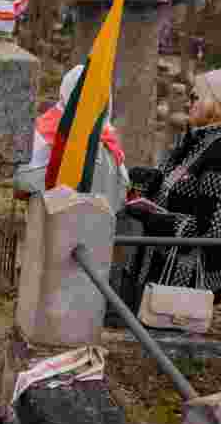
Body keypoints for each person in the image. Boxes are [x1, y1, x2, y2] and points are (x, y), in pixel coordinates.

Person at [127, 70, 221, 299]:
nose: (189, 104)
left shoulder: (218, 153)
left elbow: (212, 230)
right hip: (156, 266)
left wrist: (154, 218)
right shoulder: (195, 141)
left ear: (216, 104)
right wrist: (147, 181)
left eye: (195, 98)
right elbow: (174, 187)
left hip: (183, 280)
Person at [14, 64, 129, 213]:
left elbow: (120, 194)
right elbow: (24, 181)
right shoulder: (46, 130)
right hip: (53, 223)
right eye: (86, 93)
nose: (91, 99)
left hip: (99, 224)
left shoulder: (106, 135)